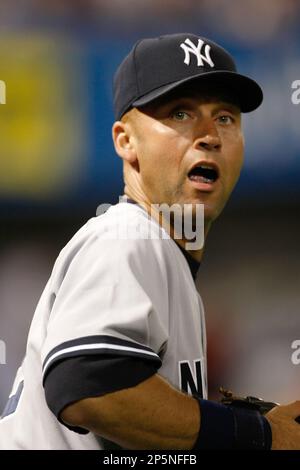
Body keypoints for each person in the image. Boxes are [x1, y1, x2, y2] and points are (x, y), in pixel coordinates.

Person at [0, 33, 299, 450]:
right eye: (180, 114)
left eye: (226, 117)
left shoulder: (164, 256)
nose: (209, 134)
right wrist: (258, 436)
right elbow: (88, 386)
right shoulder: (129, 237)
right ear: (126, 141)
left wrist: (237, 424)